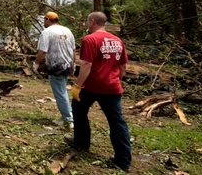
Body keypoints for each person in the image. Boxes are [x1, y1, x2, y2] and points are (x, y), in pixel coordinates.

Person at [64, 11, 131, 172]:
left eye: (88, 22)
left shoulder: (90, 39)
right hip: (112, 87)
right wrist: (116, 80)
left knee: (79, 110)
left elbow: (86, 65)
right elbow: (123, 68)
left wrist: (78, 86)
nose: (87, 25)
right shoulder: (117, 40)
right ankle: (123, 160)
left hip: (92, 86)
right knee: (117, 121)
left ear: (93, 22)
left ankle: (81, 141)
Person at [33, 11, 75, 129]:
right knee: (62, 90)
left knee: (60, 93)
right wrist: (74, 63)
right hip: (67, 64)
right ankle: (68, 116)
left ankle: (69, 118)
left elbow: (42, 51)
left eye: (44, 20)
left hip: (56, 66)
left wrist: (36, 64)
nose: (44, 23)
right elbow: (73, 50)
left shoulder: (47, 32)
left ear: (47, 19)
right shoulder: (67, 30)